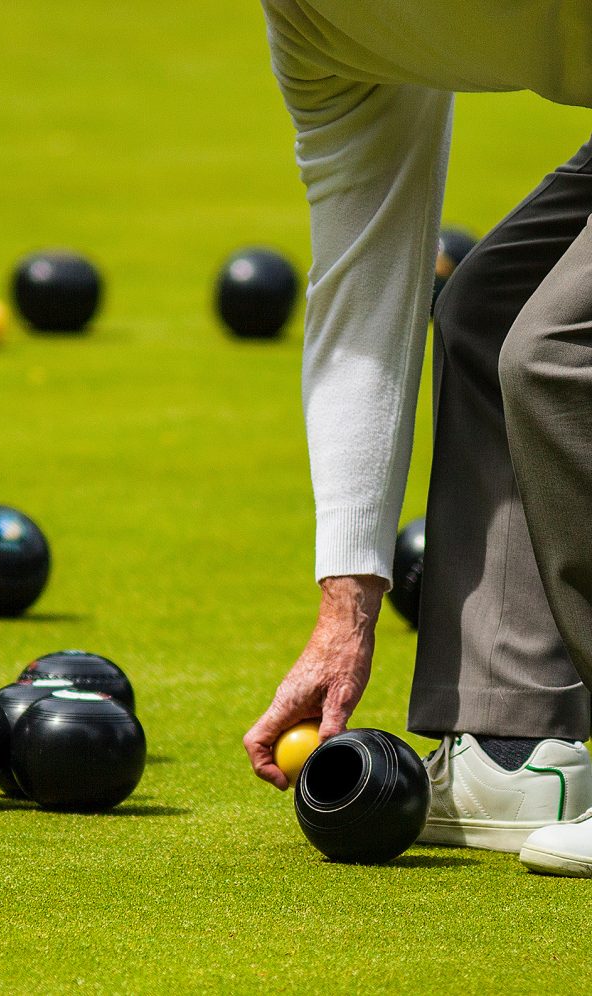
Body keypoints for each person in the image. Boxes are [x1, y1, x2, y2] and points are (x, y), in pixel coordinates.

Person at [241, 0, 592, 877]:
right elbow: (363, 287)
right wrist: (346, 603)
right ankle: (514, 754)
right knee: (491, 314)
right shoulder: (319, 26)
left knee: (559, 353)